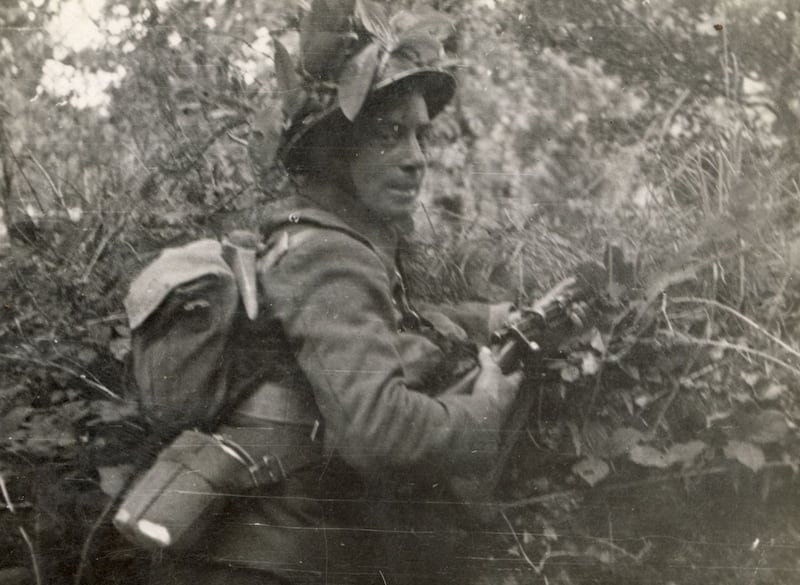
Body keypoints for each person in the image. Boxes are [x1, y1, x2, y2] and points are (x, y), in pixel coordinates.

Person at [149, 2, 523, 584]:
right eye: (389, 135)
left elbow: (365, 329)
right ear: (335, 151)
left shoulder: (314, 242)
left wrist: (480, 320)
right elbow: (378, 429)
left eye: (421, 135)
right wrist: (485, 413)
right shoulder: (331, 253)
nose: (416, 160)